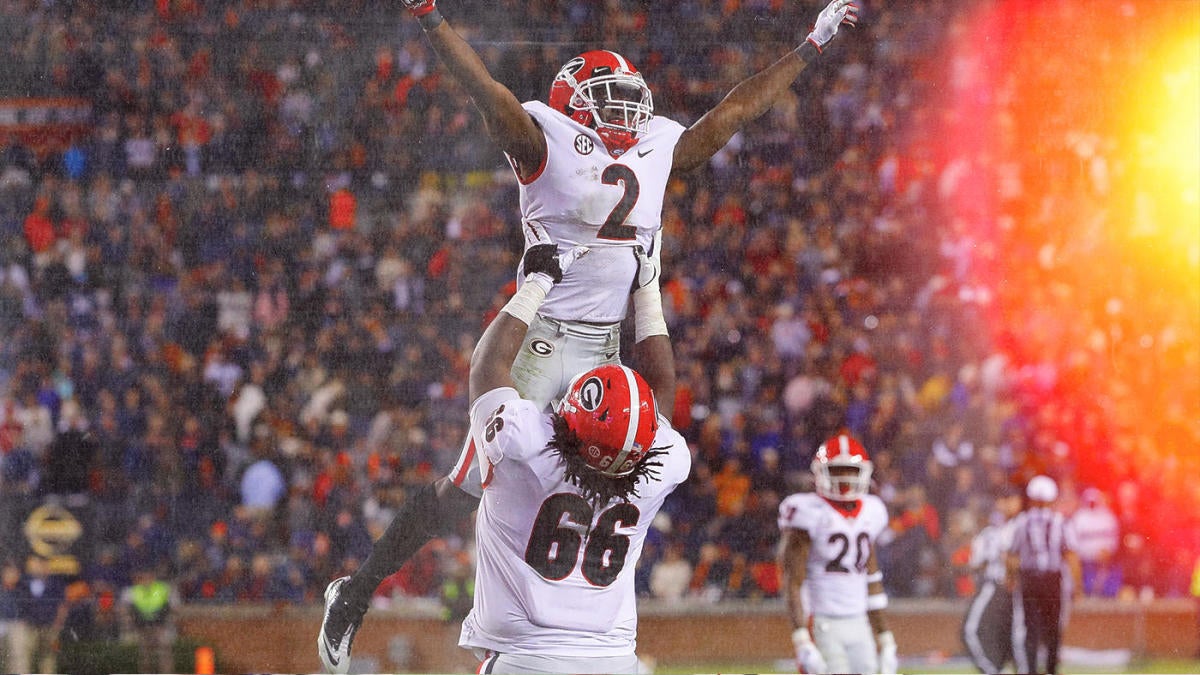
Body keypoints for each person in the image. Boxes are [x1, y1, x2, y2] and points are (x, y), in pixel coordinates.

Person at [321, 242, 690, 673]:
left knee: (465, 487)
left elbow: (486, 368)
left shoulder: (526, 440)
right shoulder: (665, 461)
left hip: (551, 329)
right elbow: (661, 391)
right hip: (605, 651)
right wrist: (647, 288)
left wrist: (537, 283)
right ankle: (355, 593)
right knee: (463, 489)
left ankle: (355, 592)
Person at [777, 432, 897, 674]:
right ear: (820, 472)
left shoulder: (871, 512)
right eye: (838, 470)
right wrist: (801, 640)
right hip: (822, 622)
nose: (845, 477)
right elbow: (792, 581)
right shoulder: (809, 511)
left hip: (859, 621)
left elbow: (871, 578)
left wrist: (886, 639)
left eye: (851, 470)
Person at [1007, 475, 1081, 675]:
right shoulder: (1060, 522)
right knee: (1053, 628)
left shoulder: (1022, 522)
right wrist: (1078, 586)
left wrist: (1011, 579)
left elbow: (1011, 556)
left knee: (1030, 629)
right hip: (1052, 580)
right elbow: (1071, 556)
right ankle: (1051, 670)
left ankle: (1030, 670)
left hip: (1030, 580)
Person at [962, 488, 1021, 673]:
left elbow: (1009, 559)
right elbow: (977, 563)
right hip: (1005, 588)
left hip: (1003, 586)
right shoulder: (992, 531)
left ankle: (994, 671)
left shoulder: (1016, 527)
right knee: (1002, 634)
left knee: (971, 631)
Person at [119, 565, 180, 674]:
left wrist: (167, 623)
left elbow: (175, 609)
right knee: (145, 654)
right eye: (143, 577)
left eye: (149, 576)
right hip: (141, 627)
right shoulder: (132, 591)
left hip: (161, 626)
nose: (146, 580)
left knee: (164, 652)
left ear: (154, 576)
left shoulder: (164, 589)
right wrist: (132, 624)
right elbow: (124, 610)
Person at [1068, 487, 1121, 597]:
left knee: (1108, 589)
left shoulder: (1107, 516)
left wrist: (1108, 551)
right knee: (1086, 587)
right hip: (1085, 562)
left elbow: (1114, 538)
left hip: (1104, 561)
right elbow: (1073, 541)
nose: (1092, 504)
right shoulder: (1078, 517)